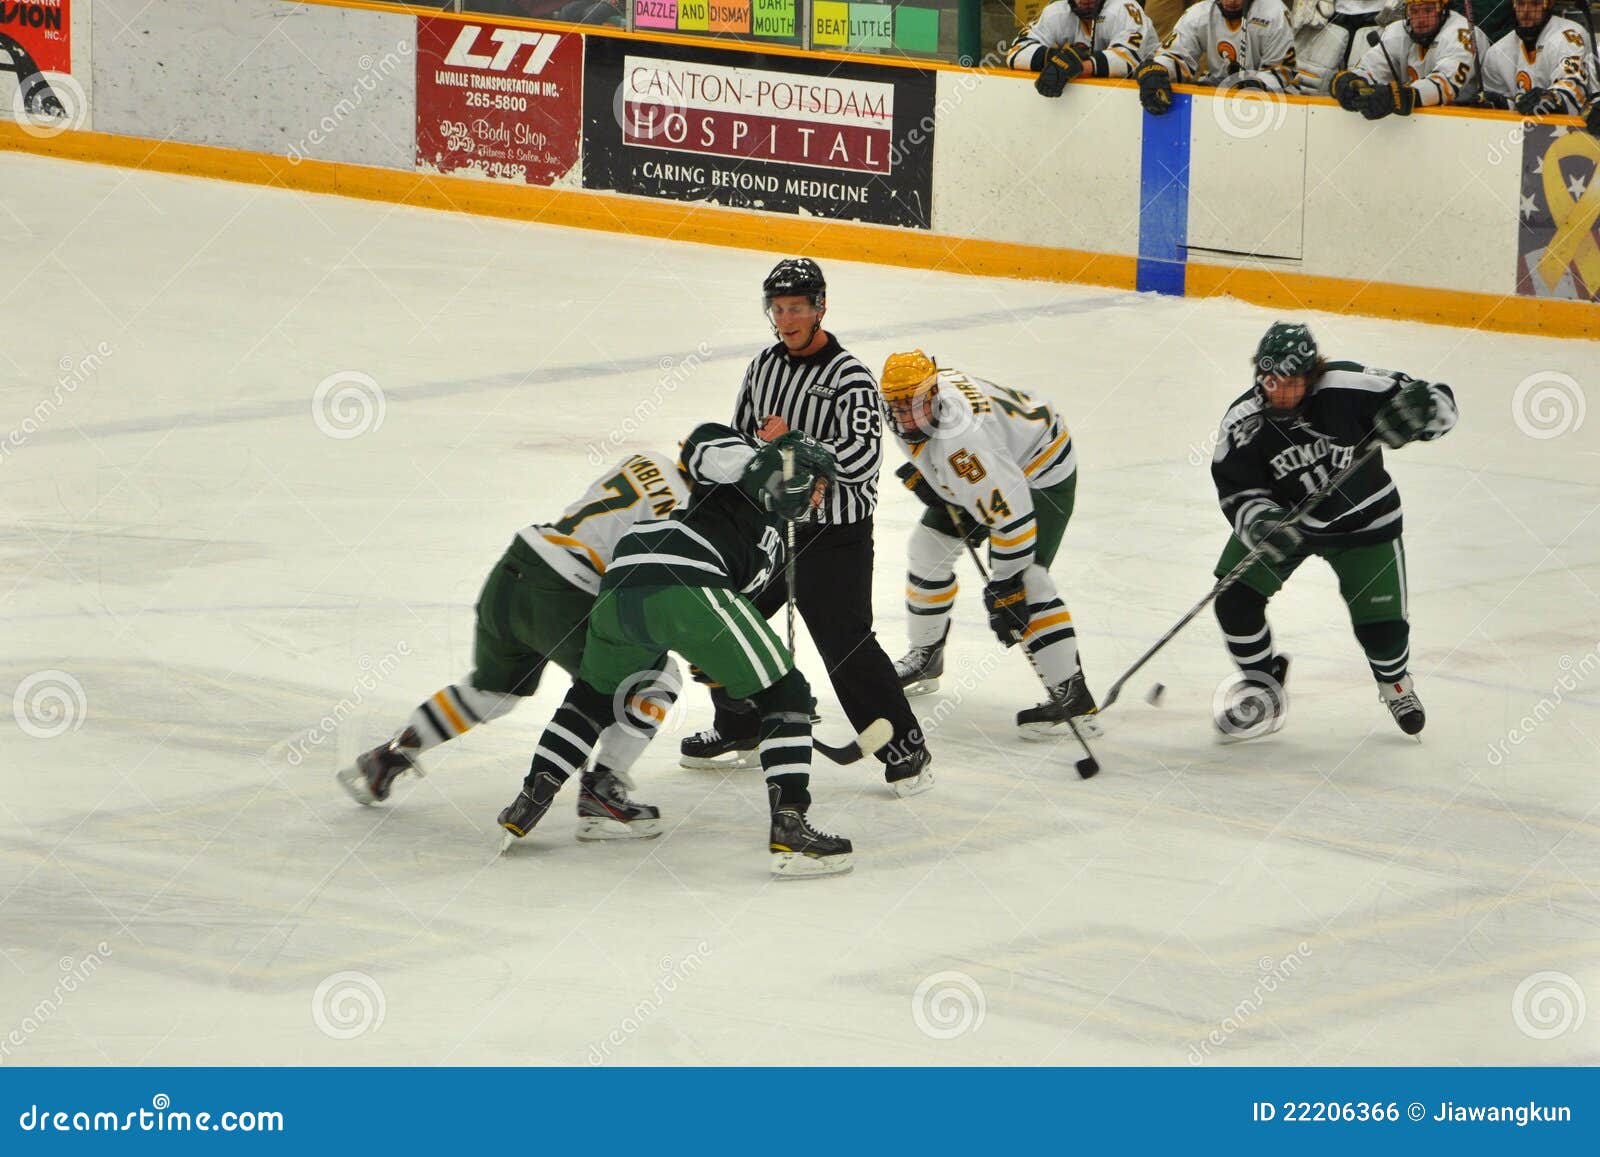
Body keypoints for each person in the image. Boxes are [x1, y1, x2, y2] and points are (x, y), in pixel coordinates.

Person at [498, 425, 856, 878]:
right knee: (787, 692)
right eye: (819, 486)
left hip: (628, 578)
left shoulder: (775, 536)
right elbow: (701, 443)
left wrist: (716, 659)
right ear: (795, 473)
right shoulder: (738, 467)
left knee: (593, 694)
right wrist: (760, 460)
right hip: (685, 572)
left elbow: (722, 611)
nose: (820, 500)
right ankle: (791, 830)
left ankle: (531, 798)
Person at [336, 450, 689, 840]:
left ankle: (391, 754)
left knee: (493, 691)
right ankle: (603, 789)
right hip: (565, 590)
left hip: (517, 564)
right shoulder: (685, 510)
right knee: (656, 675)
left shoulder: (649, 459)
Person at [678, 258, 932, 797]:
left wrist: (795, 442)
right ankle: (741, 726)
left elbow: (862, 461)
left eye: (797, 307)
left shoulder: (850, 377)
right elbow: (744, 440)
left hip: (834, 537)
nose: (787, 318)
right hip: (771, 529)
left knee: (844, 644)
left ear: (820, 308)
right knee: (724, 618)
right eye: (779, 308)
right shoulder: (762, 367)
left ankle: (905, 744)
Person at [1208, 322, 1458, 742]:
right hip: (1287, 525)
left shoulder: (1349, 385)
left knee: (1382, 630)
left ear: (1312, 375)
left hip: (1365, 521)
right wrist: (1262, 523)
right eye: (1269, 382)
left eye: (1290, 383)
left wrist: (1422, 413)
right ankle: (1262, 686)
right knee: (1233, 600)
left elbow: (1440, 405)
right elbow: (1237, 490)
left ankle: (1396, 685)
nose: (1278, 393)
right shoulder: (1244, 421)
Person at [880, 352, 1098, 740]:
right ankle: (927, 655)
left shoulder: (963, 446)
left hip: (1038, 469)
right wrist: (935, 478)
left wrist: (1005, 586)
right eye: (898, 406)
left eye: (915, 405)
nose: (907, 417)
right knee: (928, 548)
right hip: (997, 458)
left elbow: (1013, 518)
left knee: (1029, 579)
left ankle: (1073, 694)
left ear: (934, 397)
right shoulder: (922, 406)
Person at [1136, 0, 1300, 115]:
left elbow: (1282, 73)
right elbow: (1176, 56)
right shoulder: (1199, 13)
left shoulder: (1274, 13)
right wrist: (1159, 69)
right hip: (1220, 94)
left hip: (1268, 106)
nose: (1232, 1)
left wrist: (1257, 83)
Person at [1329, 0, 1487, 117]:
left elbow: (1444, 85)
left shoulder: (1463, 33)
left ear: (1443, 10)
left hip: (1463, 125)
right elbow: (1371, 68)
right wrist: (1353, 81)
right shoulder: (1397, 31)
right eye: (1415, 11)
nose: (1421, 19)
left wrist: (1399, 96)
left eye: (1428, 10)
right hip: (1415, 126)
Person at [1007, 0, 1160, 97]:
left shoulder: (1124, 7)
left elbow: (1128, 60)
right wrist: (1054, 58)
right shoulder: (1056, 12)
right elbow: (1015, 52)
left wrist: (1074, 66)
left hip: (1146, 94)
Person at [1480, 0, 1594, 115]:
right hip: (1519, 130)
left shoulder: (1568, 37)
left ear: (1548, 5)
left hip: (1572, 130)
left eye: (1535, 4)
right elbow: (1509, 112)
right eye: (1521, 4)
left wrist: (1551, 98)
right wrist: (1501, 104)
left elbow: (1574, 90)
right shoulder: (1497, 52)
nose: (1526, 11)